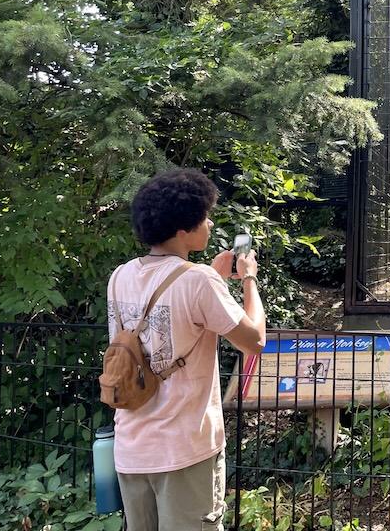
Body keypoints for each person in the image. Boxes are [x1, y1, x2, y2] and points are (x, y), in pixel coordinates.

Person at [107, 168, 266, 531]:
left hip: (131, 448)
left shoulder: (120, 276)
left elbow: (169, 319)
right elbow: (253, 341)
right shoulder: (197, 281)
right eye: (205, 217)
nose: (209, 224)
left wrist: (214, 278)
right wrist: (249, 281)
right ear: (184, 230)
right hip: (184, 449)